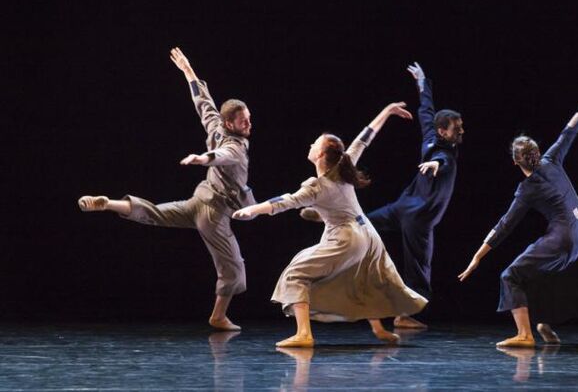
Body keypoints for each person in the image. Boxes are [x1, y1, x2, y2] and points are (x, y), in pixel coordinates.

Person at [78, 47, 255, 331]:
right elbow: (222, 155)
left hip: (199, 201)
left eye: (248, 118)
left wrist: (188, 71)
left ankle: (109, 203)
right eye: (243, 121)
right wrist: (202, 158)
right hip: (214, 213)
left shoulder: (215, 126)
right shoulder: (233, 144)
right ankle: (218, 316)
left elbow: (204, 103)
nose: (249, 124)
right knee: (234, 272)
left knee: (156, 214)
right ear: (229, 124)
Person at [458, 82, 578, 347]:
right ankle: (544, 324)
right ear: (538, 153)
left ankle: (525, 335)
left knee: (510, 276)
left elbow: (504, 226)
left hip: (565, 235)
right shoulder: (552, 159)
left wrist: (476, 257)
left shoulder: (526, 189)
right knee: (550, 274)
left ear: (515, 162)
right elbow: (573, 126)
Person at [232, 102, 428, 348]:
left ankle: (304, 333)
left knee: (296, 273)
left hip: (347, 237)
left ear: (322, 154)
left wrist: (252, 209)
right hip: (368, 235)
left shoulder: (317, 185)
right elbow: (365, 137)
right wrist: (387, 111)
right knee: (362, 277)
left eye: (315, 143)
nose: (311, 145)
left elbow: (284, 201)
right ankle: (378, 329)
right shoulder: (344, 165)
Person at [364, 62, 463, 329]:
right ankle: (405, 316)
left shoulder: (435, 141)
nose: (461, 131)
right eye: (457, 128)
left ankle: (338, 221)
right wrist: (436, 165)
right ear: (443, 131)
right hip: (417, 217)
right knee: (418, 269)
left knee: (364, 223)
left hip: (402, 207)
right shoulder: (446, 153)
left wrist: (422, 82)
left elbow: (427, 112)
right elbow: (443, 158)